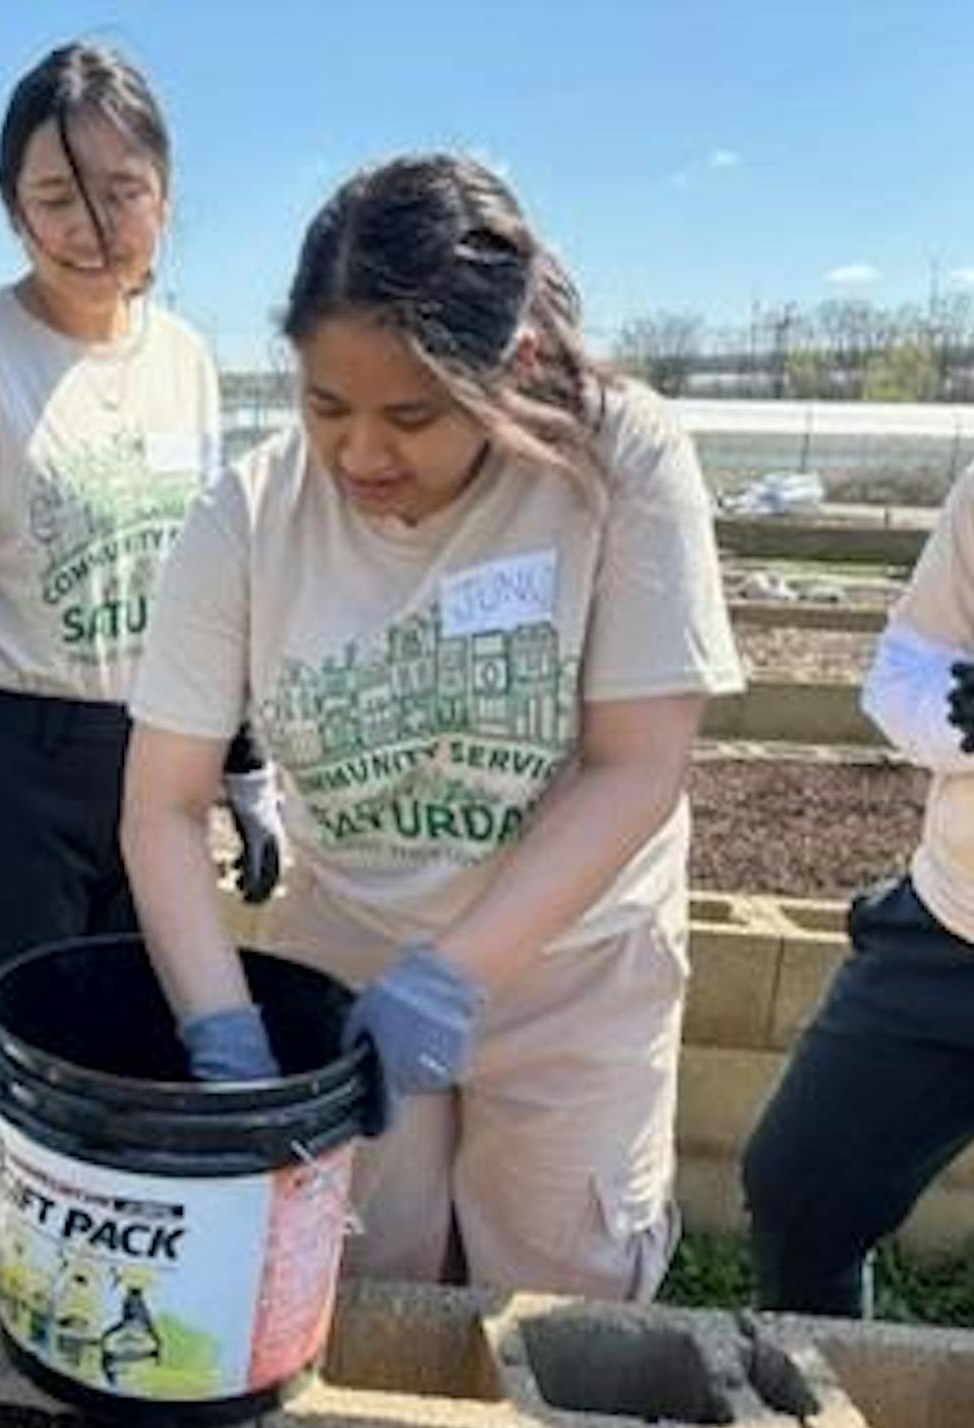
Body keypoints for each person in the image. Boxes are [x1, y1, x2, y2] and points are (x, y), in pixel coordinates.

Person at [123, 153, 744, 1298]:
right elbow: (161, 805)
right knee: (353, 1280)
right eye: (325, 406)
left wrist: (454, 975)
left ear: (505, 370)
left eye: (411, 414)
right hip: (346, 948)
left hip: (573, 963)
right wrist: (222, 1027)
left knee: (557, 1289)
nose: (361, 453)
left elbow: (634, 764)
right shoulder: (248, 514)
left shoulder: (616, 461)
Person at [0, 41, 281, 1238]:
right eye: (55, 197)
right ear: (8, 206)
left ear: (167, 195)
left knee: (123, 1042)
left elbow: (206, 588)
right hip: (5, 756)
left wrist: (240, 764)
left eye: (122, 191)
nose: (93, 226)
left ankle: (92, 1278)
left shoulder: (183, 361)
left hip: (153, 753)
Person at [744, 431, 974, 1329]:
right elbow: (905, 666)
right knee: (802, 1188)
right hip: (956, 922)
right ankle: (822, 1417)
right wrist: (966, 720)